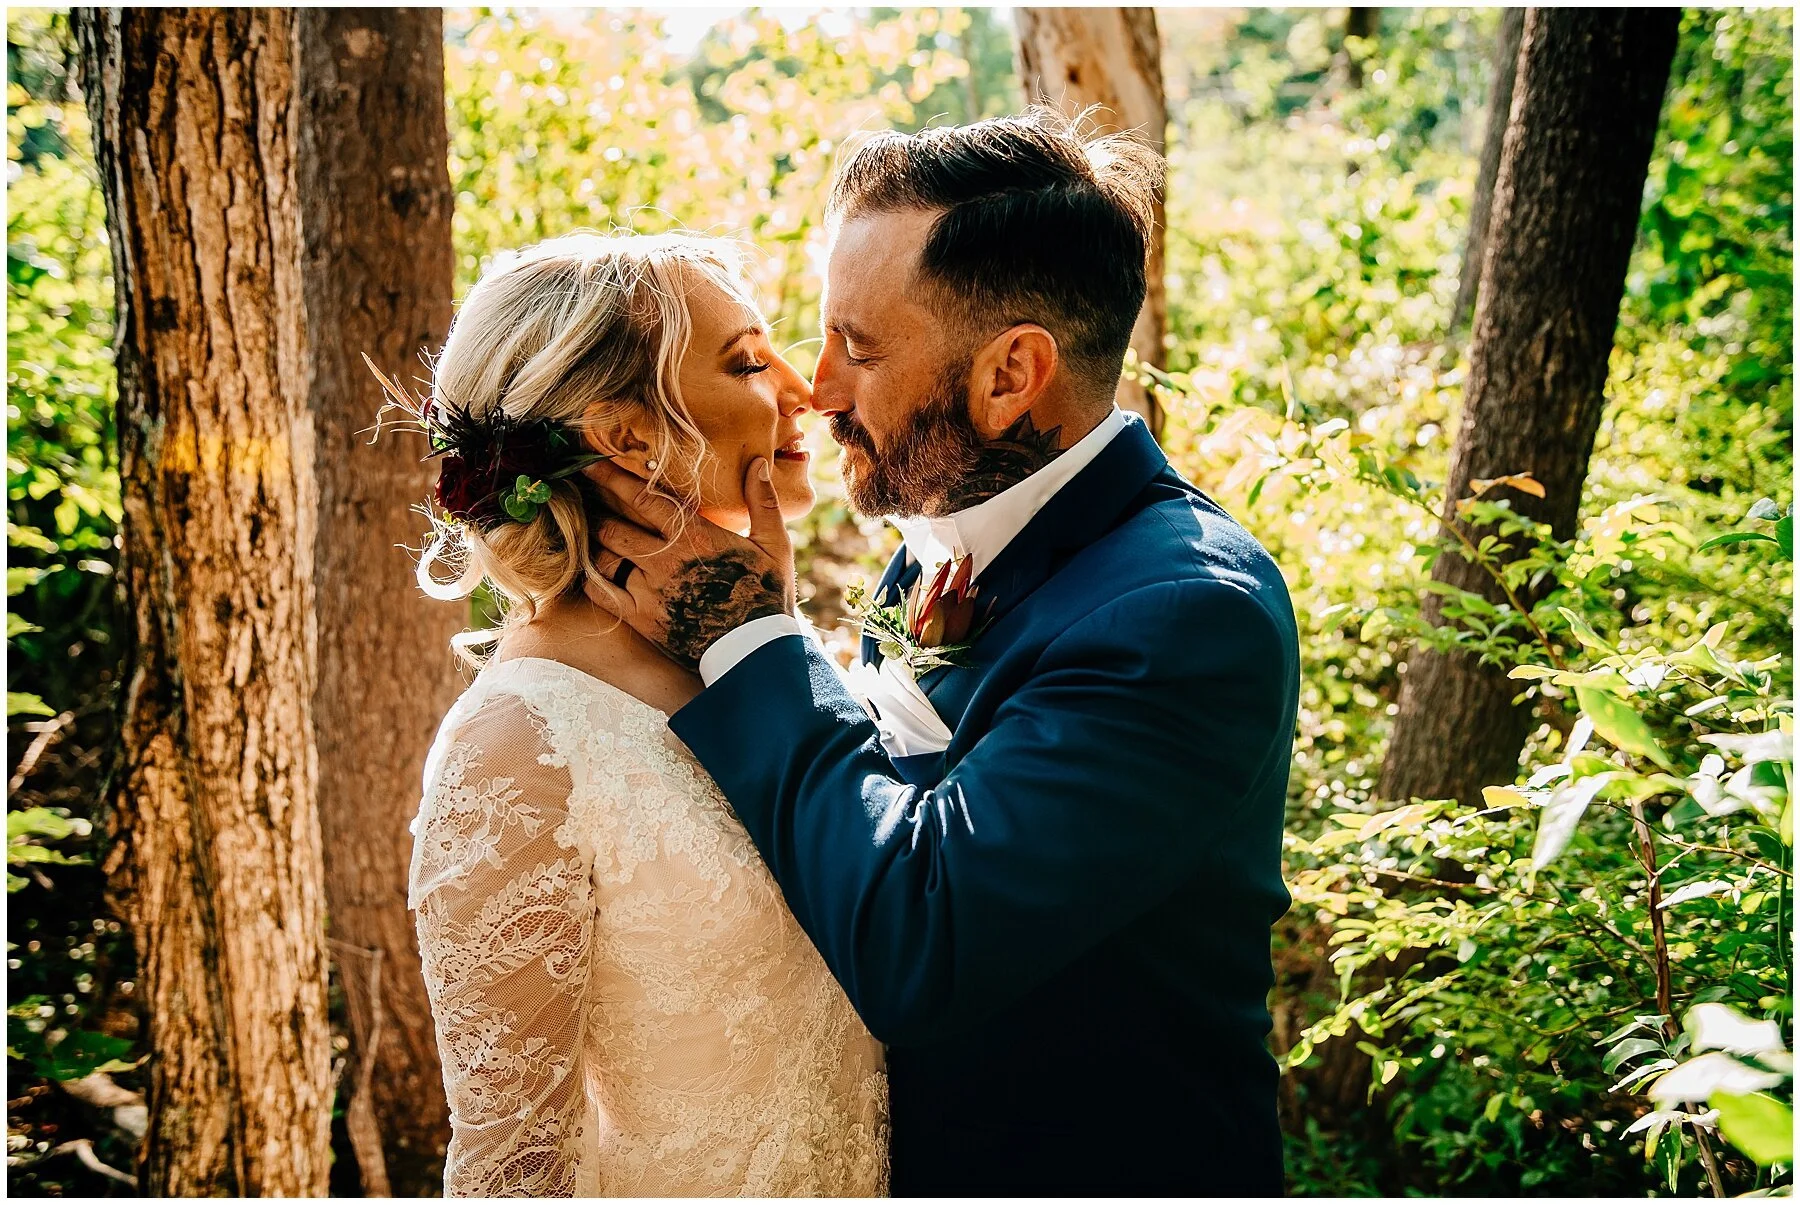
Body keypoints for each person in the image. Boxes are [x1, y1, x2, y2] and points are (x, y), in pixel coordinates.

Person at [585, 109, 1299, 1195]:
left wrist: (750, 639)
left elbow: (923, 934)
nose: (817, 390)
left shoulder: (1186, 614)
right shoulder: (951, 534)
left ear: (1012, 373)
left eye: (858, 349)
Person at [398, 232, 887, 1197]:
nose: (803, 389)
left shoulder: (768, 659)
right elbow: (511, 1165)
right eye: (748, 360)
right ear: (627, 435)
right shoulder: (520, 744)